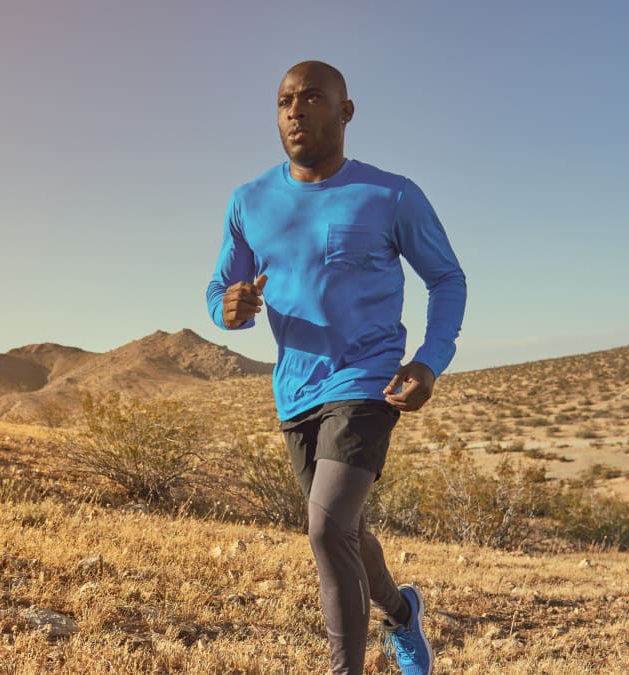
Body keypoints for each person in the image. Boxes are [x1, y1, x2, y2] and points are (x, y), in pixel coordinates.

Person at [205, 61, 466, 675]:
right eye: (284, 101)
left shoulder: (390, 193)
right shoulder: (249, 201)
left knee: (324, 529)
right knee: (342, 530)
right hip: (295, 389)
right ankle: (403, 613)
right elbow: (222, 286)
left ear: (346, 112)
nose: (295, 110)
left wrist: (430, 360)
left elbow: (447, 279)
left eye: (312, 97)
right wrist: (228, 308)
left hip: (368, 380)